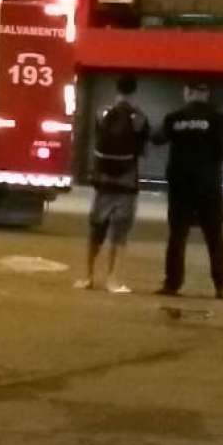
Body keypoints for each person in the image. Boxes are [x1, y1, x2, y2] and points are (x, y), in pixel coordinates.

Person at [152, 81, 223, 298]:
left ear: (187, 93)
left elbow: (157, 138)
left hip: (181, 186)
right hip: (209, 186)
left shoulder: (174, 117)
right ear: (206, 94)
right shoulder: (218, 118)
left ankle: (172, 284)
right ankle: (222, 285)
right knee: (215, 236)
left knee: (177, 236)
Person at [77, 76, 149, 294]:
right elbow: (143, 152)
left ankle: (87, 277)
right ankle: (113, 280)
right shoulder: (140, 118)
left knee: (96, 229)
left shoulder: (103, 113)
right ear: (135, 92)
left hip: (103, 182)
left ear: (116, 90)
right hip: (127, 183)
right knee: (120, 235)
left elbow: (95, 140)